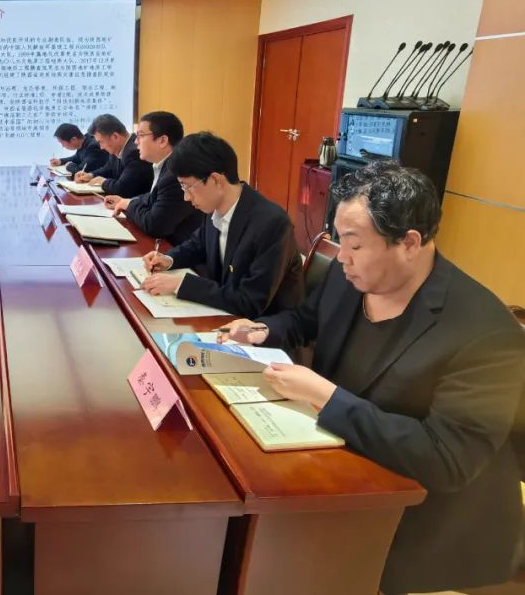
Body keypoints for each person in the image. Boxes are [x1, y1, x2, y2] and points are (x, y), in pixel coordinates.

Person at [218, 161, 525, 595]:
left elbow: (448, 459)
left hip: (425, 526)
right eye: (339, 240)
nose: (341, 256)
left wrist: (328, 398)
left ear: (410, 243)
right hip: (342, 476)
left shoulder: (484, 332)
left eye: (355, 244)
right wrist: (263, 330)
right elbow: (308, 319)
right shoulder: (352, 276)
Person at [140, 131, 302, 317]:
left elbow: (250, 301)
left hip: (262, 326)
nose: (186, 197)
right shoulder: (215, 207)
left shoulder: (271, 223)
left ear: (216, 180)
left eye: (187, 186)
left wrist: (182, 284)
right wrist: (169, 259)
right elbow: (197, 245)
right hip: (224, 313)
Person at [103, 111, 202, 244]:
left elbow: (154, 225)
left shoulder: (175, 174)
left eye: (140, 136)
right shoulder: (164, 165)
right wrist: (126, 200)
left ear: (162, 140)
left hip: (175, 247)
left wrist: (129, 204)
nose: (136, 142)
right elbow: (153, 196)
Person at [73, 113, 153, 197]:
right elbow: (108, 168)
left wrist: (103, 182)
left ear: (115, 136)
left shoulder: (135, 152)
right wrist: (91, 175)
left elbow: (122, 189)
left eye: (101, 142)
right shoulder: (117, 149)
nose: (101, 147)